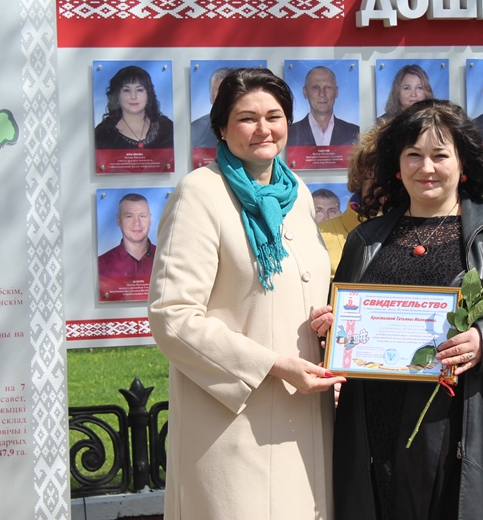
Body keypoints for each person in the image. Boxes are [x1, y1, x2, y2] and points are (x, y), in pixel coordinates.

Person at [311, 99, 483, 519]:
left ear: (462, 162)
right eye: (413, 155)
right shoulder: (366, 240)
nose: (426, 167)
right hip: (378, 424)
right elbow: (344, 322)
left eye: (440, 155)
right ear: (398, 166)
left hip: (469, 424)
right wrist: (329, 327)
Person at [147, 68, 344, 520]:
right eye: (247, 118)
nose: (263, 129)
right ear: (221, 127)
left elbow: (300, 286)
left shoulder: (296, 194)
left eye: (274, 116)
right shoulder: (200, 194)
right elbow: (172, 316)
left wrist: (327, 323)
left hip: (306, 419)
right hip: (232, 427)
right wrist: (272, 365)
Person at [318, 127, 380, 278]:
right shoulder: (318, 236)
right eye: (372, 173)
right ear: (358, 176)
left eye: (392, 174)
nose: (381, 183)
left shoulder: (417, 234)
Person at [95, 65, 173, 149]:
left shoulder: (166, 127)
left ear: (148, 94)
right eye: (126, 90)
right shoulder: (103, 134)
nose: (133, 96)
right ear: (117, 96)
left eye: (139, 90)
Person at [288, 66, 360, 147]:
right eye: (315, 87)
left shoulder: (355, 133)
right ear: (305, 92)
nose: (322, 94)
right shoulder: (289, 133)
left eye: (328, 87)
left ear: (336, 92)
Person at [97, 193, 155, 278]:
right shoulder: (101, 264)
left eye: (142, 216)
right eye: (129, 216)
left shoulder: (166, 260)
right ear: (119, 220)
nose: (137, 222)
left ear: (150, 219)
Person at [191, 66, 234, 148]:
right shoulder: (194, 130)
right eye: (220, 91)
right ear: (211, 97)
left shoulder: (254, 127)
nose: (225, 96)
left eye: (230, 91)